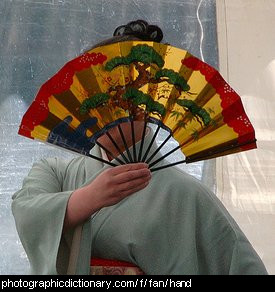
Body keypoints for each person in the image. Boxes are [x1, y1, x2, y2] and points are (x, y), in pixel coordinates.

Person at [12, 20, 268, 275]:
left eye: (121, 100)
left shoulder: (187, 195)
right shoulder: (55, 173)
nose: (105, 113)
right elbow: (26, 211)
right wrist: (89, 198)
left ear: (147, 106)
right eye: (96, 99)